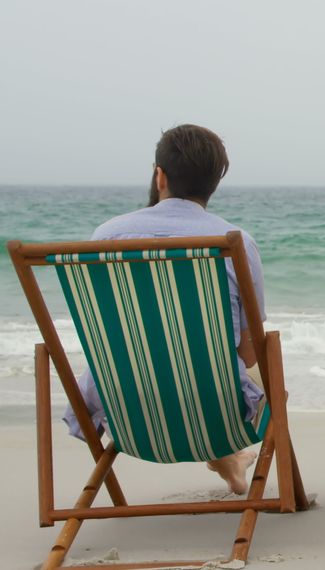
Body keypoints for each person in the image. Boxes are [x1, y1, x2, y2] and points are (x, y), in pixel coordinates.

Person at [63, 124, 265, 495]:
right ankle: (229, 455)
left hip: (122, 402)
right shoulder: (235, 242)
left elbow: (100, 334)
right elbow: (248, 348)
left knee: (150, 365)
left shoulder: (105, 237)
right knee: (250, 367)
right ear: (213, 185)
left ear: (160, 175)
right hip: (214, 406)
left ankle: (230, 461)